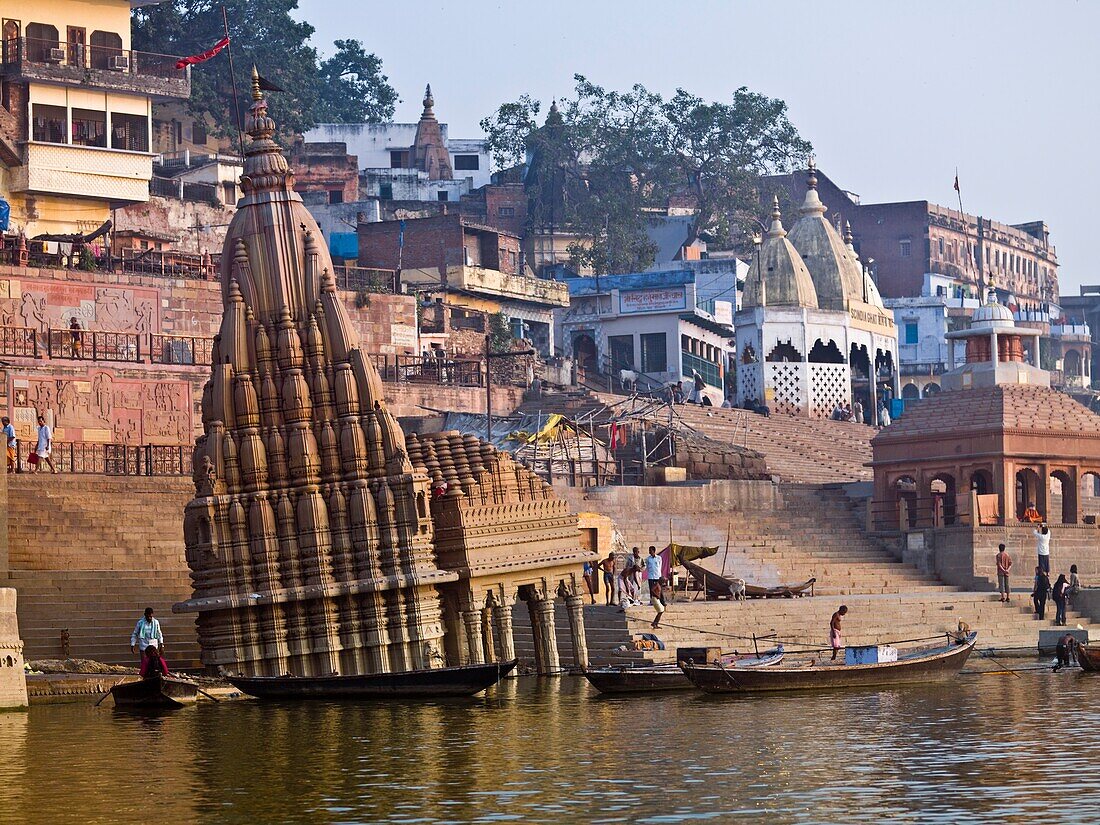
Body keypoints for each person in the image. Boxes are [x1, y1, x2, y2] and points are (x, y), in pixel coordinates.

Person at [645, 546, 665, 629]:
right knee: (652, 589)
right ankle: (652, 600)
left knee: (660, 589)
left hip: (657, 575)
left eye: (650, 550)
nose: (649, 552)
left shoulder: (659, 558)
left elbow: (660, 566)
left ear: (654, 551)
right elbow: (647, 567)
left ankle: (662, 601)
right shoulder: (648, 559)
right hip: (651, 576)